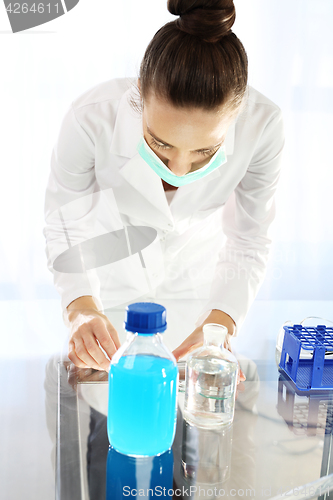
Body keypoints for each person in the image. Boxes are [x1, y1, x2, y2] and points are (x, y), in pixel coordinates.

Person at [44, 0, 284, 373]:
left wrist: (219, 323)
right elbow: (66, 225)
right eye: (161, 144)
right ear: (139, 95)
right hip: (107, 307)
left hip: (199, 308)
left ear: (236, 116)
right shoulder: (90, 119)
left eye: (205, 151)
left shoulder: (263, 127)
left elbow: (249, 239)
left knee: (196, 417)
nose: (178, 169)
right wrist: (81, 308)